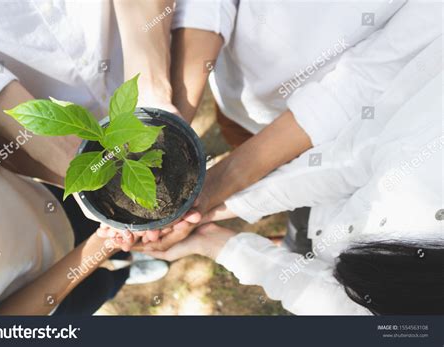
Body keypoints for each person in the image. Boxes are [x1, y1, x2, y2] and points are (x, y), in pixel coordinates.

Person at [136, 55, 444, 315]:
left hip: (333, 238)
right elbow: (351, 161)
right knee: (299, 236)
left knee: (301, 244)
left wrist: (217, 239)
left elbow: (340, 307)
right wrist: (217, 207)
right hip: (323, 213)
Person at [128, 0, 442, 251]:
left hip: (314, 130)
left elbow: (366, 79)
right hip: (236, 84)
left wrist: (222, 181)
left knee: (286, 177)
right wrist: (172, 117)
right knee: (236, 129)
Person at [0, 0, 175, 315]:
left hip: (36, 192)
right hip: (35, 295)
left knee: (102, 224)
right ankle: (125, 270)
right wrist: (102, 246)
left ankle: (126, 262)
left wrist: (153, 92)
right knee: (98, 287)